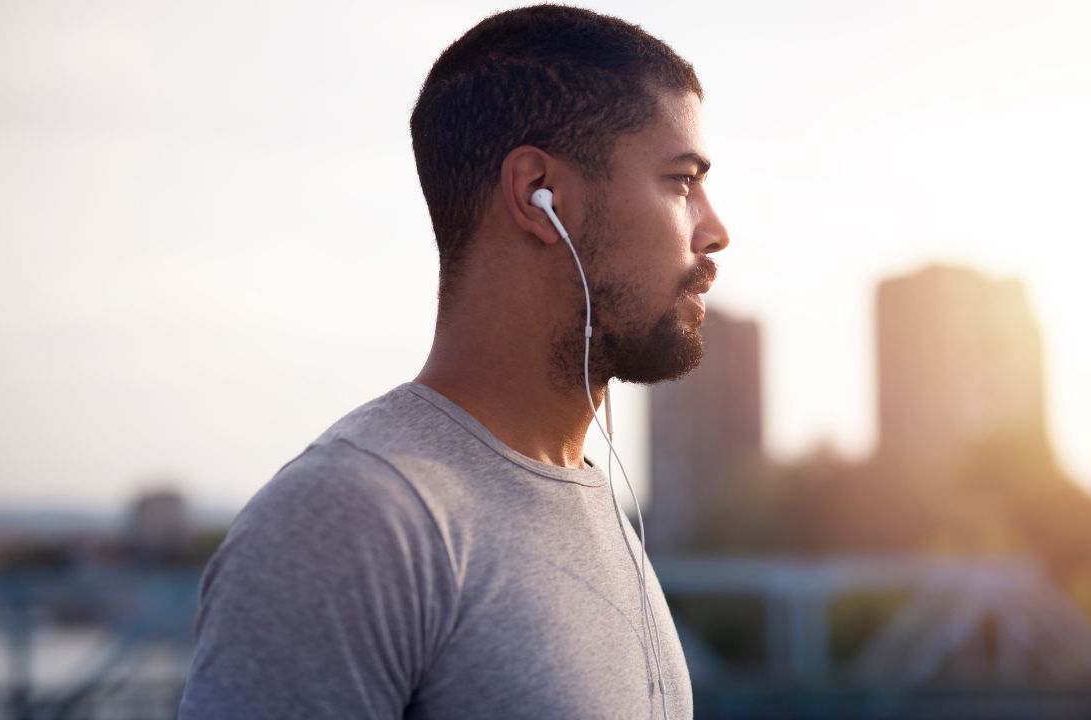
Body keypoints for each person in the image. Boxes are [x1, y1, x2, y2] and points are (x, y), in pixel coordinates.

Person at [178, 4, 729, 718]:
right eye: (682, 182)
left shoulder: (593, 499)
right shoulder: (350, 519)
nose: (715, 231)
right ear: (541, 195)